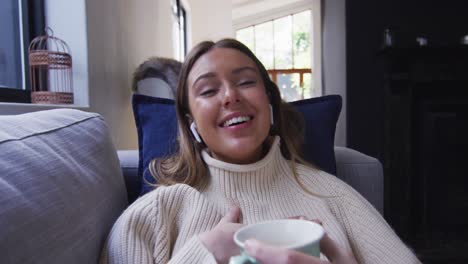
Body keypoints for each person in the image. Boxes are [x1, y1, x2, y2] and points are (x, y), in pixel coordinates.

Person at [100, 39, 420, 264]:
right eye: (209, 90)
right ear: (190, 121)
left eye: (245, 82)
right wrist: (207, 250)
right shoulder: (152, 215)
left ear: (269, 103)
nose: (230, 96)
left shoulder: (335, 197)